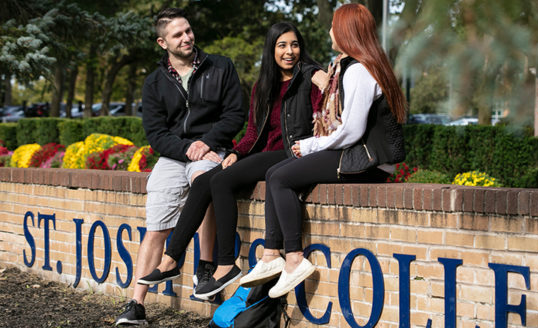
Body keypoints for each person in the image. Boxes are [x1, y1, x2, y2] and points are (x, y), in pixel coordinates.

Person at [137, 21, 323, 300]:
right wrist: (237, 152)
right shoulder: (264, 86)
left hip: (293, 151)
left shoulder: (310, 77)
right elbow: (252, 132)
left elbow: (324, 120)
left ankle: (223, 264)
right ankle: (172, 259)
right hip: (265, 154)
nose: (289, 51)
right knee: (207, 182)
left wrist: (317, 73)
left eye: (294, 45)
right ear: (271, 49)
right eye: (281, 45)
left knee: (220, 181)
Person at [239, 3, 408, 298]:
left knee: (280, 178)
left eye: (333, 25)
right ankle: (270, 256)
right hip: (360, 155)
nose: (329, 30)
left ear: (345, 31)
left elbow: (352, 130)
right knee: (274, 171)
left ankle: (293, 259)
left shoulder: (359, 70)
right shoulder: (361, 65)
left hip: (367, 161)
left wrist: (311, 145)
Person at [115, 8, 245, 326]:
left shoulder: (221, 66)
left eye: (188, 31)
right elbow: (156, 133)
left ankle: (204, 270)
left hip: (212, 150)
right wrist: (187, 147)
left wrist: (207, 143)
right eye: (178, 34)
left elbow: (235, 114)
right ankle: (136, 304)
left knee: (208, 180)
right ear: (163, 42)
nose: (186, 37)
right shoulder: (154, 82)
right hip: (174, 156)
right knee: (156, 224)